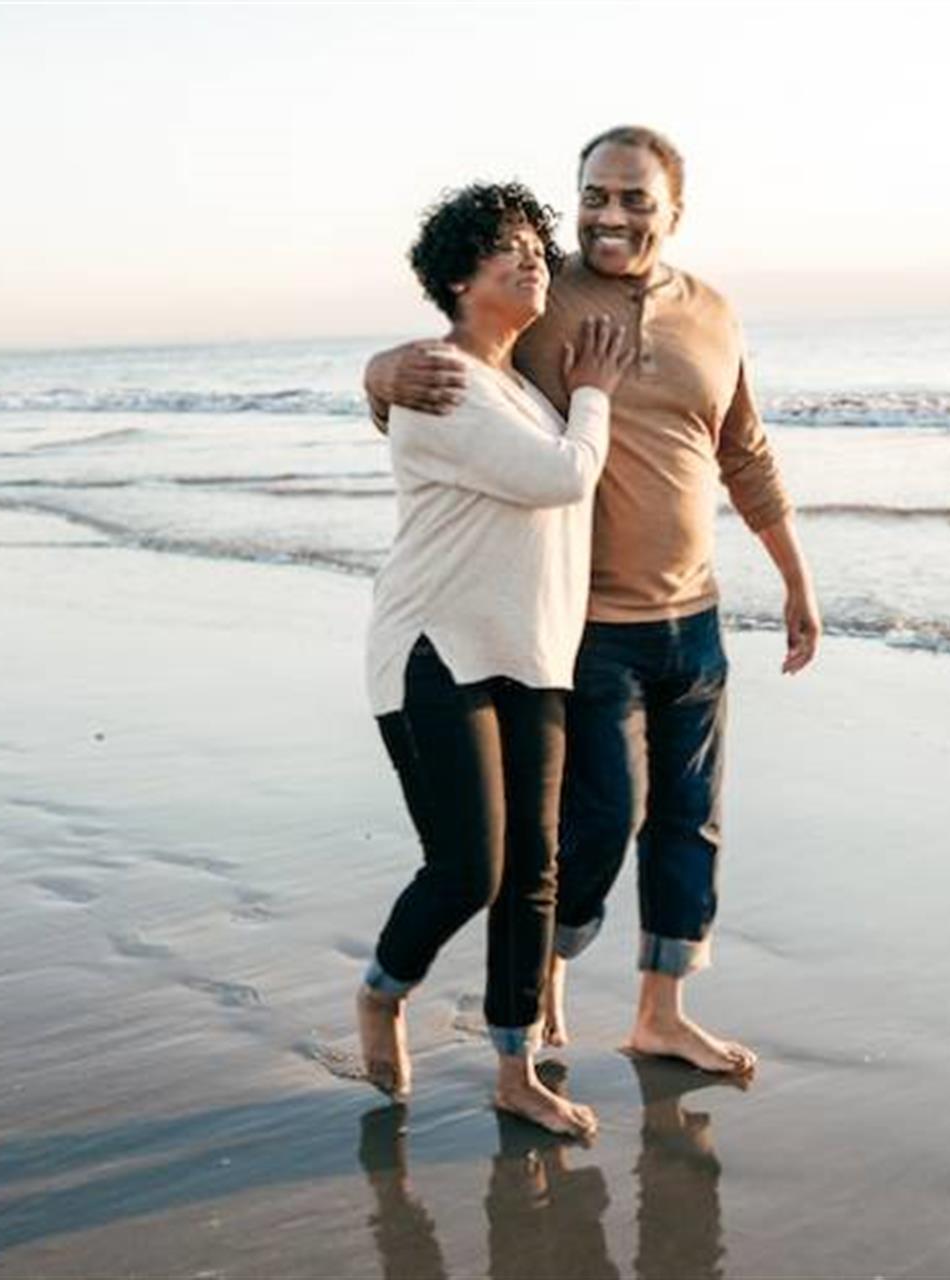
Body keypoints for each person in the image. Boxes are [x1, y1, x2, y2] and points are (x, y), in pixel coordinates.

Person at [365, 126, 820, 1076]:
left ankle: (661, 1013)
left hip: (693, 613)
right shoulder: (547, 296)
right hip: (587, 627)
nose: (610, 215)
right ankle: (549, 969)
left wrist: (794, 577)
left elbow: (745, 450)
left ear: (674, 212)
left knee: (690, 820)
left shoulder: (715, 314)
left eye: (634, 199)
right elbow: (459, 365)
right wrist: (375, 374)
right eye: (595, 196)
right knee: (601, 822)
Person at [356, 180, 633, 1138]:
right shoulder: (438, 379)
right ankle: (383, 990)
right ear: (457, 277)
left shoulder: (517, 386)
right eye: (506, 247)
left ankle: (515, 1070)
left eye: (534, 244)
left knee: (535, 872)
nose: (532, 259)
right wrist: (595, 391)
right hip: (437, 650)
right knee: (470, 869)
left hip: (534, 654)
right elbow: (561, 477)